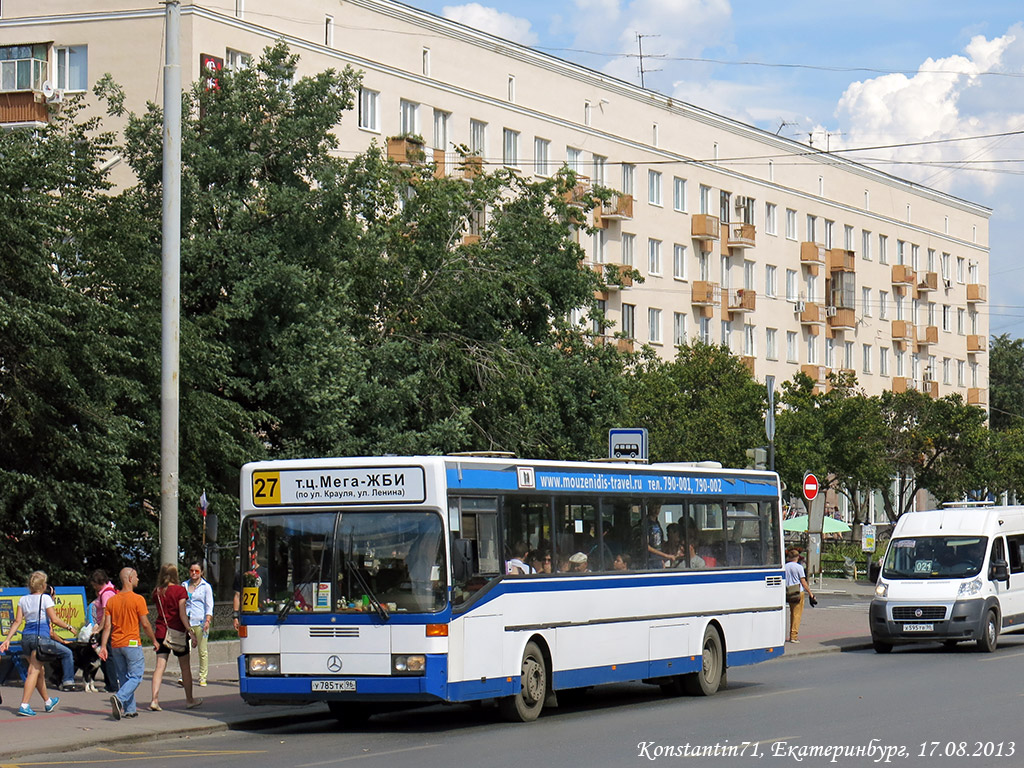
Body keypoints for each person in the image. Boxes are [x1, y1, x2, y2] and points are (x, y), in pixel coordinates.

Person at [0, 570, 77, 716]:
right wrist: (68, 627)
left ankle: (48, 701)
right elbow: (54, 619)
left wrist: (7, 639)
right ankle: (24, 704)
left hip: (26, 639)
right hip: (40, 639)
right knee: (33, 671)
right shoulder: (46, 599)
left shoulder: (23, 600)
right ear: (42, 586)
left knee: (39, 671)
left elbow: (17, 622)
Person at [99, 567, 158, 720]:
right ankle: (119, 697)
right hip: (132, 643)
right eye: (136, 576)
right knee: (136, 676)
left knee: (124, 677)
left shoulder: (112, 601)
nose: (138, 579)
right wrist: (154, 640)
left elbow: (107, 626)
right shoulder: (138, 599)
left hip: (116, 644)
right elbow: (145, 624)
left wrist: (104, 646)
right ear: (130, 578)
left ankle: (129, 710)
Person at [150, 563, 202, 712]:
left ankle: (154, 699)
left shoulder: (157, 592)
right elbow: (182, 613)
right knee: (185, 667)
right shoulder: (180, 591)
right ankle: (189, 699)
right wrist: (190, 630)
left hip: (161, 632)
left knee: (159, 667)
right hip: (177, 632)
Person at [181, 562, 214, 687]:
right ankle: (184, 676)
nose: (194, 573)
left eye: (197, 571)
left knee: (202, 651)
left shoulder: (206, 586)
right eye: (191, 570)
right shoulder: (184, 585)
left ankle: (202, 677)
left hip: (200, 622)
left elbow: (209, 605)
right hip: (187, 622)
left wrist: (207, 620)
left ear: (201, 572)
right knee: (185, 650)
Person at [89, 569, 120, 692]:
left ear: (97, 582)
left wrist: (99, 628)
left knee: (107, 655)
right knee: (107, 655)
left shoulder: (106, 594)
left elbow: (107, 613)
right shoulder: (109, 591)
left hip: (108, 627)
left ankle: (112, 684)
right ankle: (111, 682)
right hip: (112, 626)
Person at [784, 549, 815, 643]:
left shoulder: (785, 566)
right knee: (796, 615)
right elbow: (803, 582)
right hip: (798, 592)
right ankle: (793, 636)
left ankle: (790, 634)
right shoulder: (799, 567)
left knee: (791, 613)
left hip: (788, 591)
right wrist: (811, 594)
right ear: (797, 557)